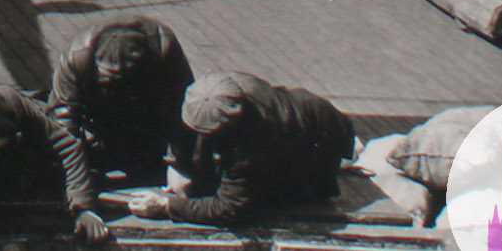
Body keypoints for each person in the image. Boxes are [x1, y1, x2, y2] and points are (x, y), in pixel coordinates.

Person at [132, 73, 355, 227]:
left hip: (316, 147)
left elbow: (231, 208)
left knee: (265, 201)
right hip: (310, 109)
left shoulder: (255, 137)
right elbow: (188, 130)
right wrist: (177, 164)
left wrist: (168, 205)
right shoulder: (215, 88)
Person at [49, 15, 194, 240]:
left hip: (146, 123)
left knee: (163, 176)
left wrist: (179, 163)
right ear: (95, 64)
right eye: (110, 79)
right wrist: (82, 200)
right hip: (97, 126)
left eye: (126, 77)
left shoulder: (164, 47)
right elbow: (64, 127)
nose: (118, 85)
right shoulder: (75, 57)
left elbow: (184, 110)